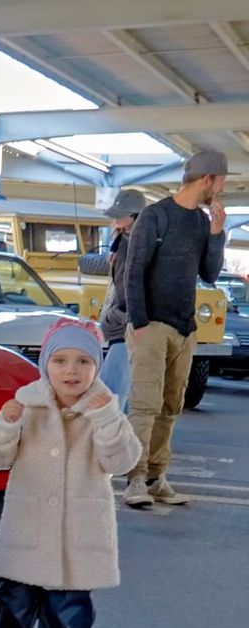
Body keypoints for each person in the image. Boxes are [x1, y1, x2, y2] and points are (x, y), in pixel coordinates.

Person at [0, 318, 141, 628]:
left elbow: (122, 461)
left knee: (70, 616)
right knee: (12, 607)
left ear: (97, 367)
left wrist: (107, 421)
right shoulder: (26, 405)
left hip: (76, 541)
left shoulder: (105, 409)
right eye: (61, 360)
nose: (72, 370)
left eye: (84, 361)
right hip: (27, 534)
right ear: (45, 364)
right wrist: (5, 426)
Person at [121, 150, 229, 508]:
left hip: (184, 329)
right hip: (151, 325)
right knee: (144, 405)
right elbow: (132, 273)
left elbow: (210, 274)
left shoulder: (201, 222)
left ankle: (155, 476)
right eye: (222, 180)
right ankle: (134, 479)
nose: (222, 187)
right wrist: (138, 324)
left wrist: (216, 233)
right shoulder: (155, 216)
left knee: (171, 406)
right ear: (208, 179)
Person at [97, 189, 147, 410]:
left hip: (125, 324)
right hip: (121, 322)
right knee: (116, 389)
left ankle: (115, 439)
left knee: (113, 392)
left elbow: (130, 285)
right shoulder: (122, 240)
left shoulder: (137, 243)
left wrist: (119, 315)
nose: (115, 218)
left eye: (121, 214)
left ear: (136, 216)